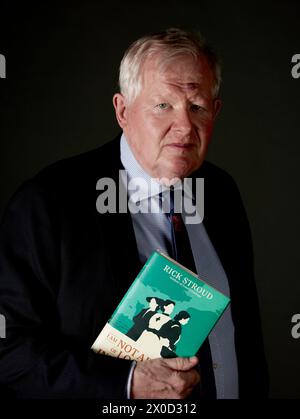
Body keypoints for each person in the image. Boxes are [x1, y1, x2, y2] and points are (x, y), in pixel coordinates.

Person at [0, 28, 268, 399]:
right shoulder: (49, 203)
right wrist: (126, 384)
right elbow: (9, 350)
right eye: (163, 105)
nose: (185, 126)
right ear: (123, 111)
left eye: (197, 107)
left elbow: (244, 333)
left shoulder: (221, 191)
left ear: (215, 112)